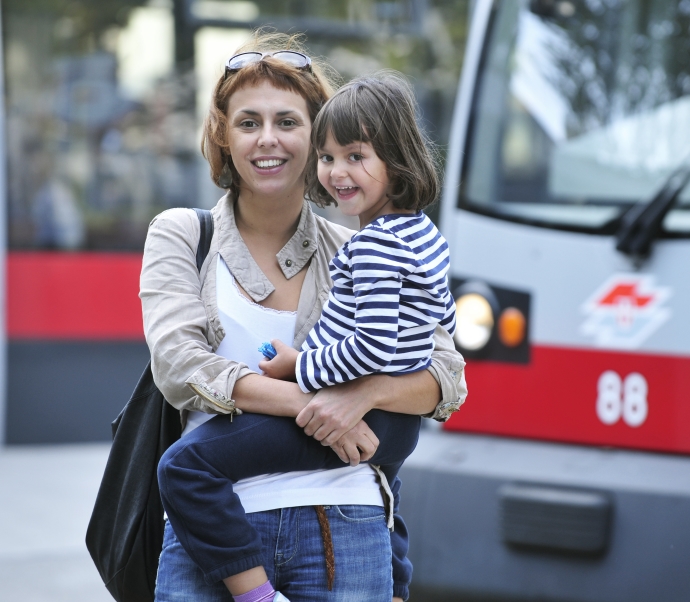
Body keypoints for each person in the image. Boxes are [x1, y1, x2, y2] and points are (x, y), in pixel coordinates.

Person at [140, 32, 466, 602]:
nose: (268, 139)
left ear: (320, 134)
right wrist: (318, 405)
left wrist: (362, 397)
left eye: (288, 122)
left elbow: (445, 376)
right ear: (223, 134)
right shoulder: (183, 235)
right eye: (248, 122)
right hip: (212, 539)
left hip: (346, 526)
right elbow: (178, 364)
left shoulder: (362, 243)